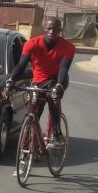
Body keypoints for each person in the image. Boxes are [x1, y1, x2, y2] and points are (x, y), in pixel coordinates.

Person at [4, 16, 75, 150]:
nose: (51, 31)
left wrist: (59, 86)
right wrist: (10, 80)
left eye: (55, 29)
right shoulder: (31, 44)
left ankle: (56, 134)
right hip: (39, 80)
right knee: (34, 109)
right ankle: (31, 139)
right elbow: (21, 65)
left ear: (60, 30)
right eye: (48, 28)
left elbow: (64, 68)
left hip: (58, 79)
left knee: (52, 98)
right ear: (43, 29)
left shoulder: (68, 47)